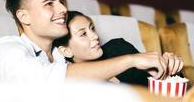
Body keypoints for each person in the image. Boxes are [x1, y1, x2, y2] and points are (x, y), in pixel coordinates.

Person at [0, 0, 183, 83]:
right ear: (23, 16)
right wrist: (131, 60)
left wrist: (161, 71)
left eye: (61, 2)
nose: (63, 9)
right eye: (49, 3)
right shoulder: (5, 49)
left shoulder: (62, 56)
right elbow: (46, 81)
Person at [53, 11, 184, 85]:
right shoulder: (67, 79)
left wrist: (168, 68)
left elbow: (155, 85)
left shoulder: (118, 48)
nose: (95, 36)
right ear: (66, 51)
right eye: (83, 34)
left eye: (92, 28)